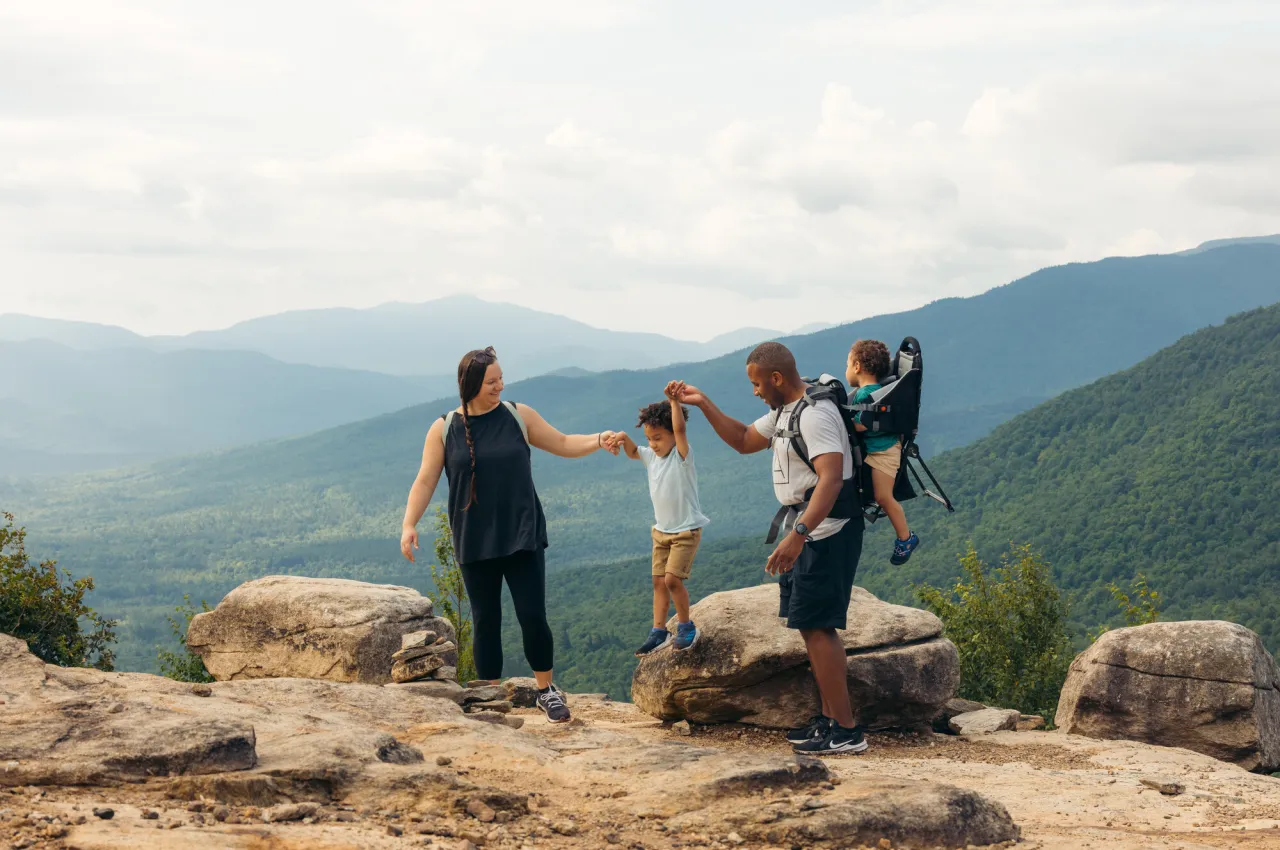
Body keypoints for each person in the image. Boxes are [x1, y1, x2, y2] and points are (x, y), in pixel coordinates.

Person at [399, 346, 620, 724]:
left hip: (522, 532)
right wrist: (408, 523)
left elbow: (563, 443)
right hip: (473, 537)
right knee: (485, 619)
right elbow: (425, 478)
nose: (500, 385)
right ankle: (488, 696)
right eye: (492, 381)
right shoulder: (444, 427)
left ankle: (546, 691)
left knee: (532, 614)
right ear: (470, 384)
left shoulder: (518, 415)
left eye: (501, 378)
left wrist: (599, 439)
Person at [675, 342, 868, 755]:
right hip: (810, 529)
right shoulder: (786, 410)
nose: (755, 391)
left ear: (776, 378)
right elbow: (745, 440)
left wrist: (796, 536)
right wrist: (704, 404)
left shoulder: (815, 415)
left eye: (757, 383)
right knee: (809, 626)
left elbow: (831, 479)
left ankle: (847, 730)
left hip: (827, 531)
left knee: (820, 627)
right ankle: (830, 720)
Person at [608, 381, 710, 656]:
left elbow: (679, 429)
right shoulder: (651, 458)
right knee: (657, 582)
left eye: (658, 438)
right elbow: (632, 451)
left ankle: (687, 627)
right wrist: (621, 436)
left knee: (672, 581)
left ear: (672, 437)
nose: (652, 444)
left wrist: (675, 402)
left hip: (685, 531)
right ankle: (659, 631)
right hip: (661, 532)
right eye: (649, 438)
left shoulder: (681, 457)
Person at [847, 339, 919, 564]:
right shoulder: (877, 390)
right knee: (881, 495)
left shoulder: (865, 395)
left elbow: (860, 425)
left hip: (884, 452)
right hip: (881, 450)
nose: (847, 369)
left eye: (848, 364)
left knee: (884, 497)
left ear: (857, 366)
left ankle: (906, 538)